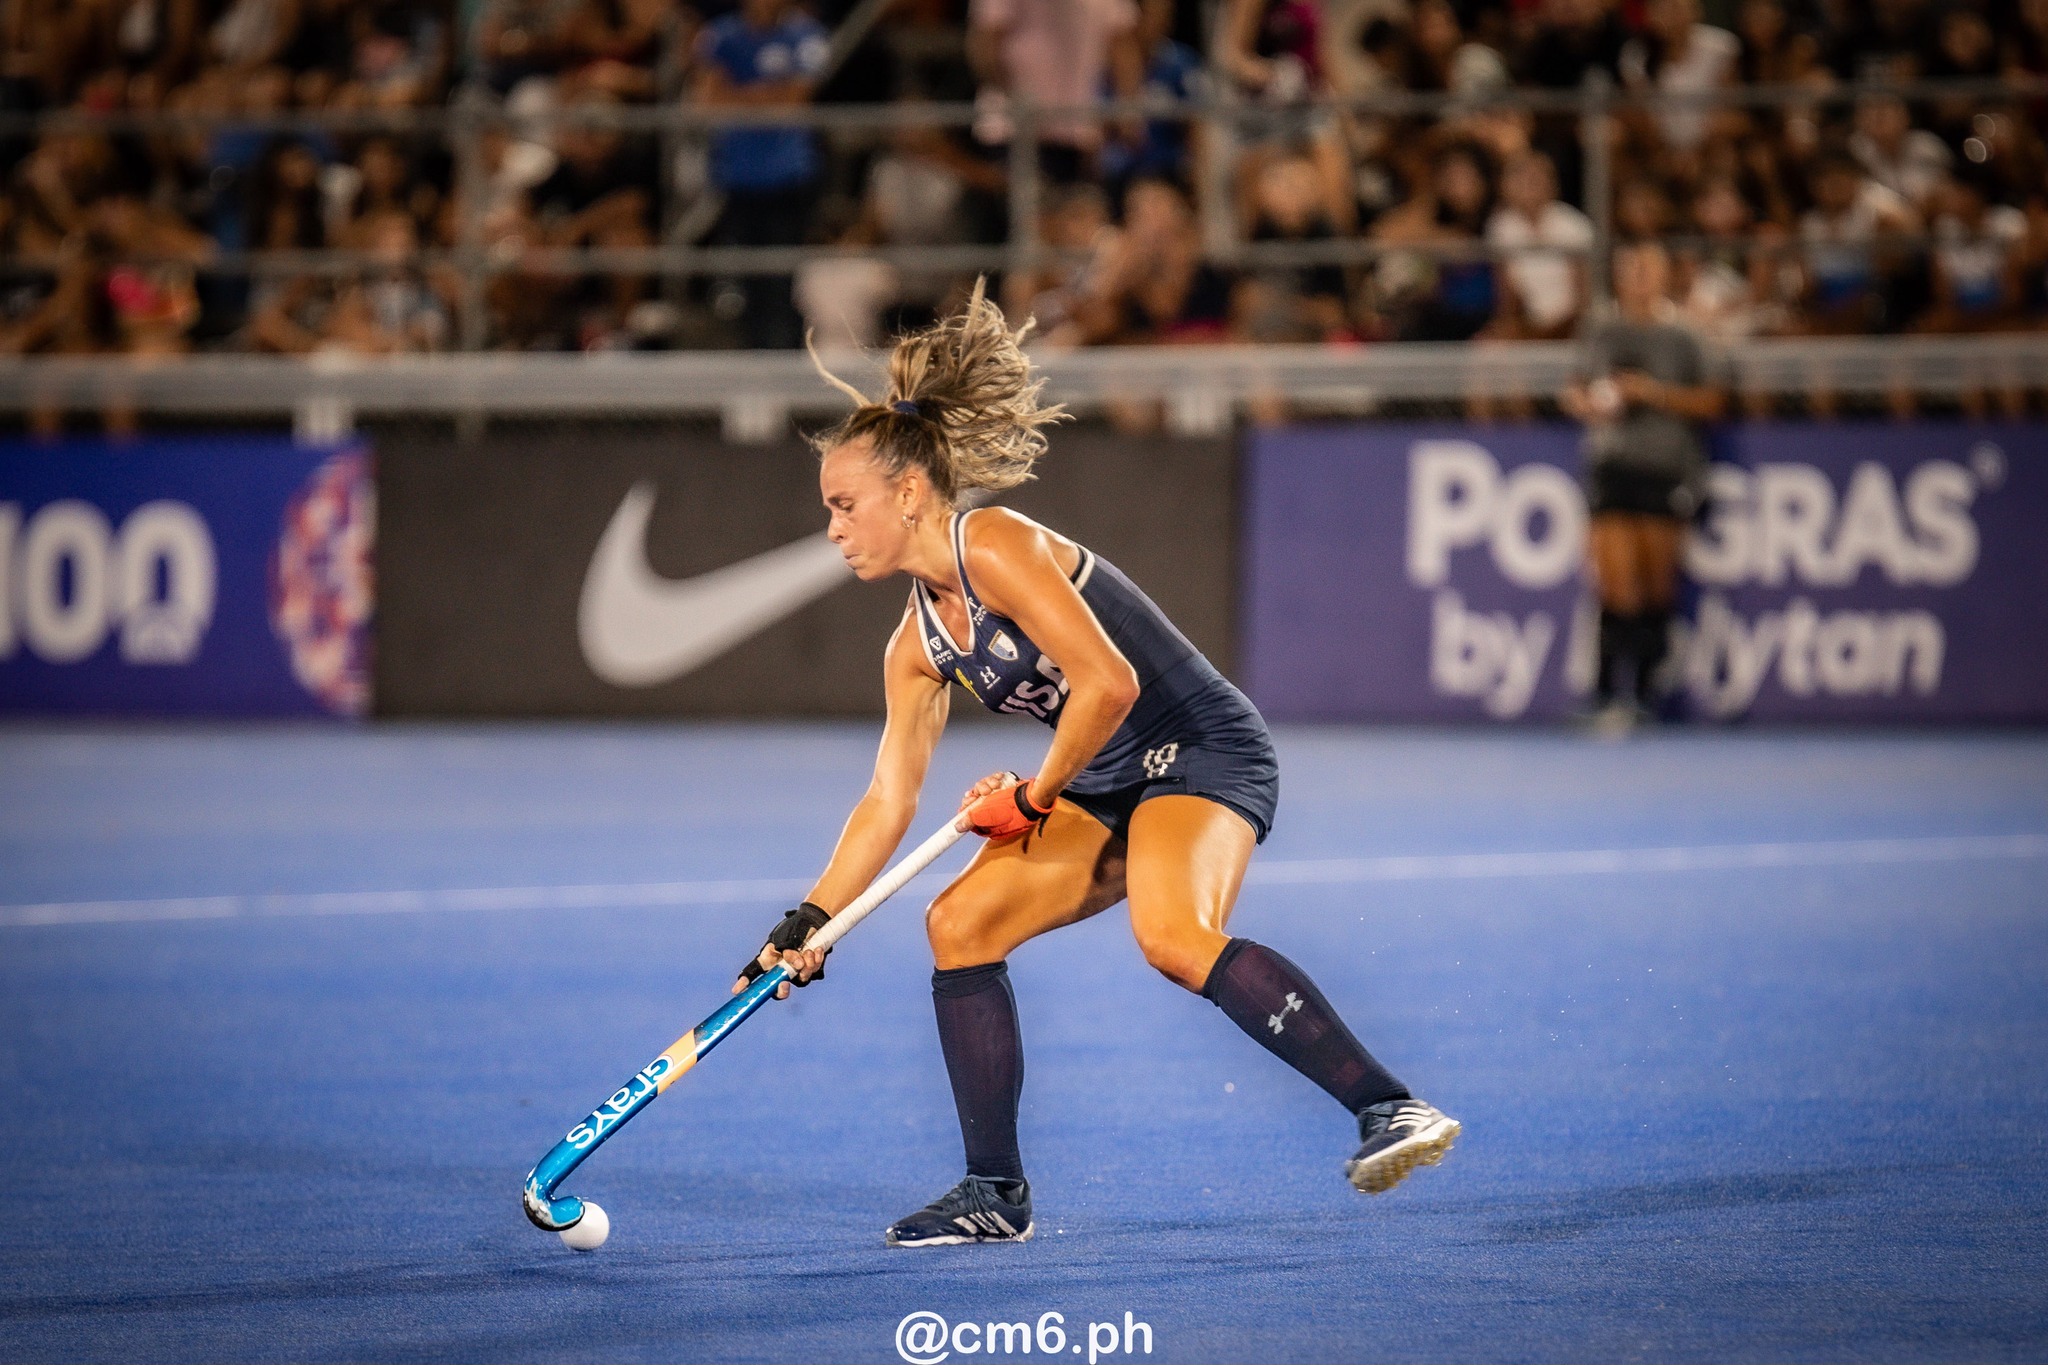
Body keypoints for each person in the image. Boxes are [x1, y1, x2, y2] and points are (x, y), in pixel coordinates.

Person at [734, 283, 1460, 1247]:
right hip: (1104, 774)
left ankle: (1388, 1106)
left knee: (1171, 937)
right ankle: (994, 1191)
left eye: (843, 503)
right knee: (957, 921)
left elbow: (1109, 683)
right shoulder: (914, 644)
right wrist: (813, 918)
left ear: (907, 493)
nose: (832, 527)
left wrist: (1032, 796)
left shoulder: (992, 543)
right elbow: (888, 797)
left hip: (1199, 747)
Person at [1563, 244, 1726, 727]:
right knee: (1613, 582)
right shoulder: (1601, 330)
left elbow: (1712, 403)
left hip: (1667, 468)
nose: (1638, 277)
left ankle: (1650, 694)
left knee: (1656, 585)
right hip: (1611, 465)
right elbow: (1575, 389)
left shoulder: (1686, 336)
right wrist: (1590, 404)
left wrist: (1651, 392)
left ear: (1665, 275)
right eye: (1629, 268)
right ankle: (1607, 692)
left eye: (1648, 268)